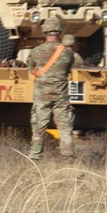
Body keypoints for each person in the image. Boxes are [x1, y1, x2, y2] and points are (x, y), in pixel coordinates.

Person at [25, 17, 76, 160]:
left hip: (42, 96)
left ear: (45, 31)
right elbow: (68, 69)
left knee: (39, 129)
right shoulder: (67, 53)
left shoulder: (36, 51)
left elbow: (31, 69)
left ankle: (35, 156)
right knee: (65, 128)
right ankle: (68, 157)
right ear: (59, 31)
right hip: (61, 96)